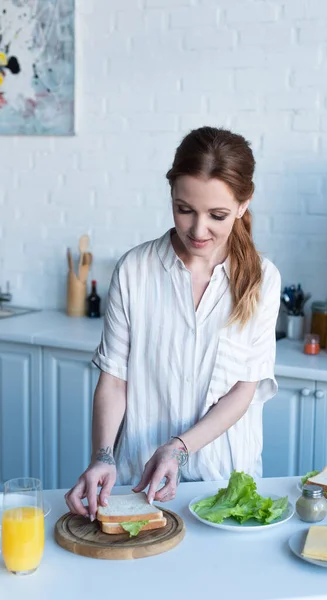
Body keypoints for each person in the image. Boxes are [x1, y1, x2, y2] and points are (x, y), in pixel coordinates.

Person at [65, 126, 281, 521]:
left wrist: (178, 448)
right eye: (185, 210)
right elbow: (114, 379)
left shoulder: (263, 279)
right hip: (139, 483)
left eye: (217, 215)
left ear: (243, 204)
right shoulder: (135, 270)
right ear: (171, 196)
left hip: (225, 483)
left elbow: (243, 390)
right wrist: (102, 456)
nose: (198, 230)